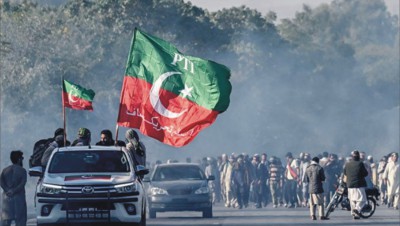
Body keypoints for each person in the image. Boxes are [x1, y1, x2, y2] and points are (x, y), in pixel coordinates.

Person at [1, 150, 27, 226]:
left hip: (7, 199)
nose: (22, 159)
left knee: (5, 221)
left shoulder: (5, 170)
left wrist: (7, 190)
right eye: (22, 158)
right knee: (20, 221)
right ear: (19, 159)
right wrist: (14, 191)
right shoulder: (22, 171)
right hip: (19, 200)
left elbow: (1, 182)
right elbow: (22, 184)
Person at [343, 150, 368, 219]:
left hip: (350, 185)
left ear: (352, 156)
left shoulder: (347, 164)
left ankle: (355, 214)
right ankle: (357, 209)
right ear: (358, 156)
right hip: (358, 185)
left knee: (352, 200)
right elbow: (365, 173)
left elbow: (345, 173)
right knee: (362, 199)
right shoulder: (360, 163)